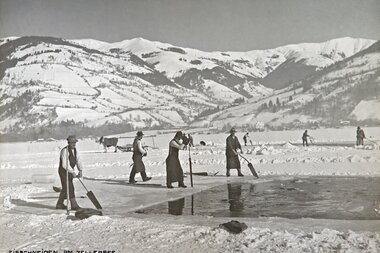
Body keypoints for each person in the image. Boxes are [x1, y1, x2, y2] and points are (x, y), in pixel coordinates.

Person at [56, 135, 83, 210]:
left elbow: (78, 160)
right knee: (69, 187)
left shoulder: (75, 150)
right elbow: (65, 164)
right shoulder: (64, 151)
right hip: (63, 171)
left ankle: (59, 204)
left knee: (66, 188)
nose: (74, 144)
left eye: (75, 142)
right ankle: (74, 205)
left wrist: (80, 170)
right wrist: (72, 172)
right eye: (72, 143)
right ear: (68, 143)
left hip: (70, 171)